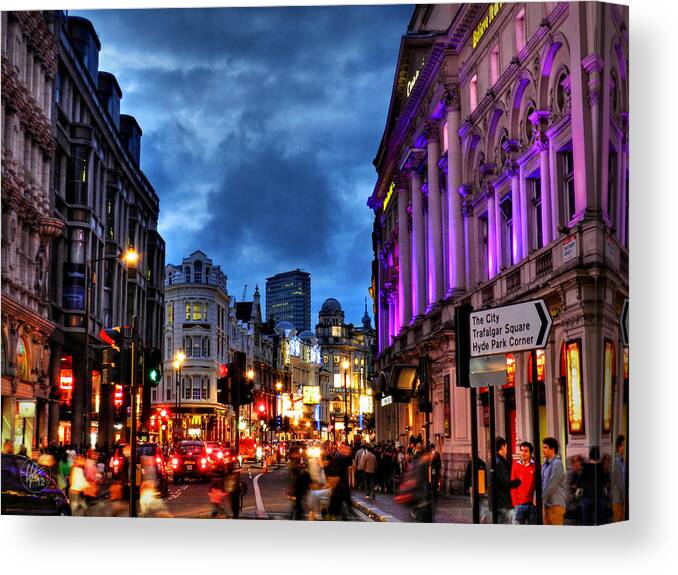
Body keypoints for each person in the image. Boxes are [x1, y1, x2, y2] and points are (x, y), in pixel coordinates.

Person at [493, 437, 520, 524]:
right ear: (502, 447)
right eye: (506, 447)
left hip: (498, 501)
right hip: (503, 502)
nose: (507, 450)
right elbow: (505, 483)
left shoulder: (495, 461)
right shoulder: (500, 463)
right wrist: (518, 481)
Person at [541, 437, 566, 525]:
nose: (543, 450)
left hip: (556, 505)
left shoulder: (557, 464)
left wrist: (540, 499)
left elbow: (551, 485)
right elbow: (541, 482)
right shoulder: (545, 464)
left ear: (553, 449)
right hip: (547, 505)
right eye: (543, 447)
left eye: (545, 448)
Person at [510, 441, 536, 524]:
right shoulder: (515, 465)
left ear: (530, 453)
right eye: (521, 450)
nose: (523, 453)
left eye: (525, 451)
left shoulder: (535, 466)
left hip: (532, 504)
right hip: (520, 504)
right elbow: (513, 486)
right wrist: (515, 503)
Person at [611, 435, 626, 522]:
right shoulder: (616, 462)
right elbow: (620, 482)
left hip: (621, 499)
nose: (624, 447)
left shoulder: (622, 461)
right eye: (623, 445)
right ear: (619, 447)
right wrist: (624, 496)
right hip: (617, 499)